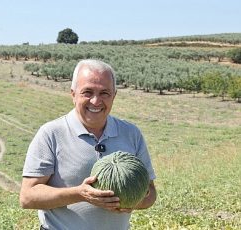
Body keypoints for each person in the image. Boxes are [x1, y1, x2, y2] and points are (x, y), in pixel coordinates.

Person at [20, 59, 156, 230]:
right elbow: (27, 197)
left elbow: (150, 193)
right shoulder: (51, 133)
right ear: (73, 94)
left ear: (114, 95)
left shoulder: (131, 133)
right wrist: (80, 194)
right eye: (88, 92)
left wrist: (132, 200)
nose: (96, 101)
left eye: (105, 93)